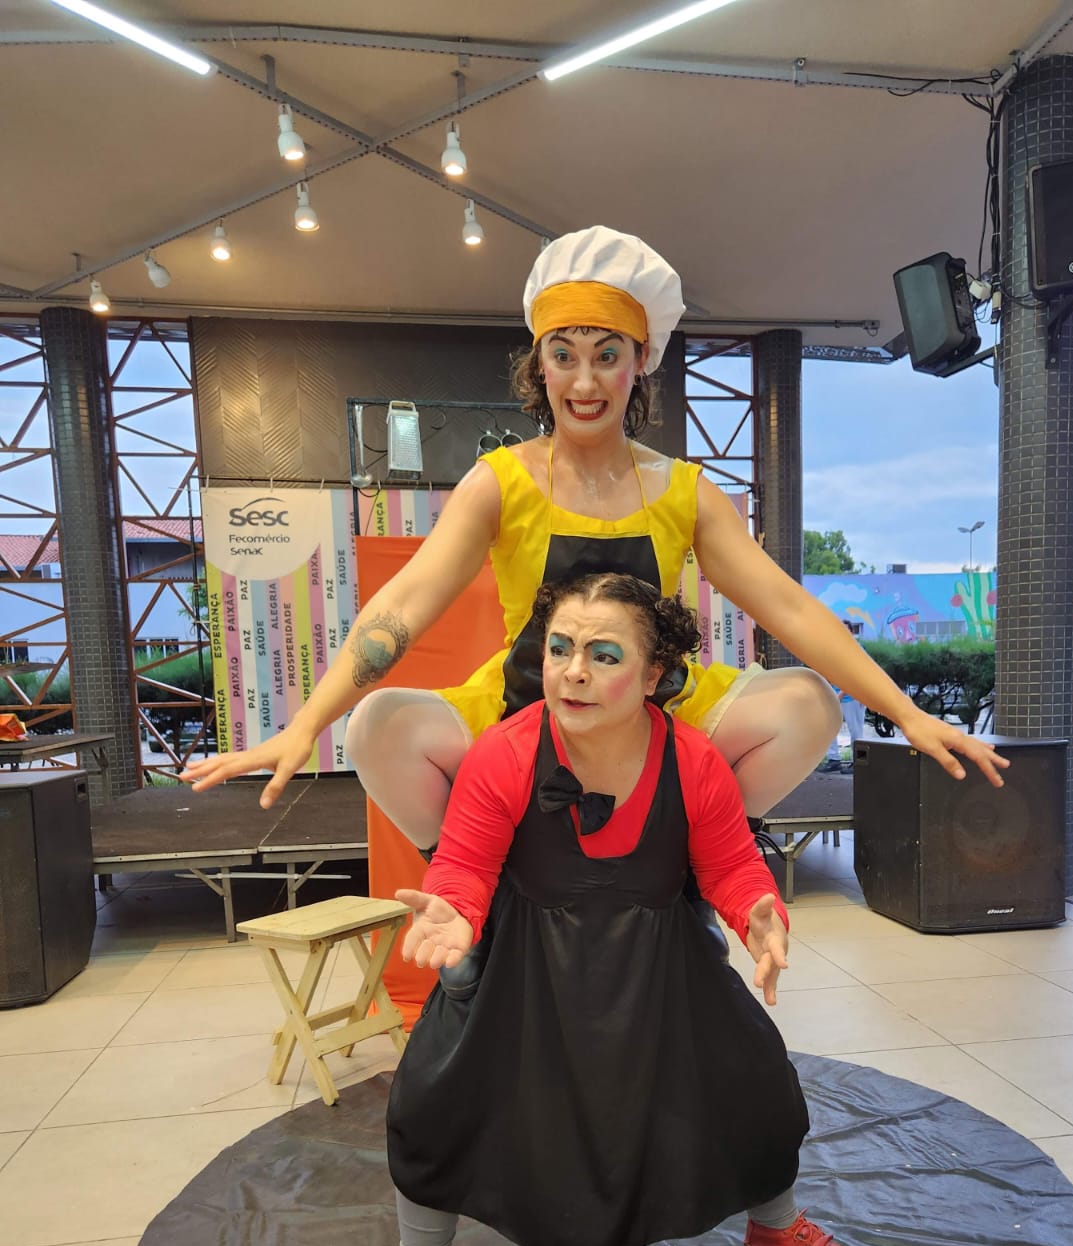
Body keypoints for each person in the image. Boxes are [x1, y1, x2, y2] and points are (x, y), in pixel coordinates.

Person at [183, 226, 1008, 839]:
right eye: (564, 353)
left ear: (640, 360)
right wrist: (306, 725)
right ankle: (472, 894)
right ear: (538, 363)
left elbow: (789, 608)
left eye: (607, 354)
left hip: (661, 710)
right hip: (524, 710)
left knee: (807, 706)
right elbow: (400, 609)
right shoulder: (500, 481)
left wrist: (906, 714)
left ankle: (696, 851)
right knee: (380, 729)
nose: (585, 380)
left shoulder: (684, 490)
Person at [344, 572, 866, 1246]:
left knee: (753, 1080)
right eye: (560, 649)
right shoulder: (506, 751)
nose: (573, 671)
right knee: (434, 1100)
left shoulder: (691, 759)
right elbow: (466, 861)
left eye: (603, 654)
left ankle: (776, 1228)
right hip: (524, 969)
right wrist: (454, 908)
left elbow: (730, 864)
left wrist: (759, 911)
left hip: (662, 965)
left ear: (654, 675)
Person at [818, 620, 867, 772]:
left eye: (846, 630)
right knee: (830, 727)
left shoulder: (857, 651)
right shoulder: (834, 650)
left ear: (852, 632)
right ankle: (834, 759)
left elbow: (856, 677)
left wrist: (839, 694)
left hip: (853, 697)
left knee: (856, 732)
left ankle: (858, 763)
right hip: (836, 694)